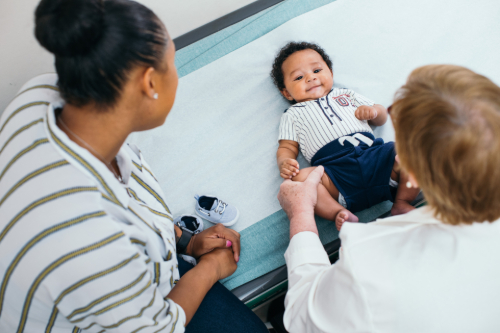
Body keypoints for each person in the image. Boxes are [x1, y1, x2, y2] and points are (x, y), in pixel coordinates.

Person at [0, 0, 268, 332]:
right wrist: (209, 267)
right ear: (149, 84)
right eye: (172, 64)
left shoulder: (37, 97)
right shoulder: (92, 248)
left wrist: (184, 241)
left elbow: (127, 200)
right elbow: (157, 328)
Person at [278, 64, 500, 332]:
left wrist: (300, 213)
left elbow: (301, 318)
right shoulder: (292, 115)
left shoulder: (367, 258)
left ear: (413, 173)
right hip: (338, 171)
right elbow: (287, 148)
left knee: (278, 310)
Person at [271, 42, 419, 230]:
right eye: (299, 77)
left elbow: (381, 117)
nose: (310, 78)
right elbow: (287, 147)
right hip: (335, 176)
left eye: (317, 70)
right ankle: (337, 212)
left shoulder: (346, 94)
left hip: (377, 160)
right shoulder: (292, 115)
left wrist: (373, 112)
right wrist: (284, 162)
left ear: (330, 73)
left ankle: (402, 201)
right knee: (300, 179)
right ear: (286, 92)